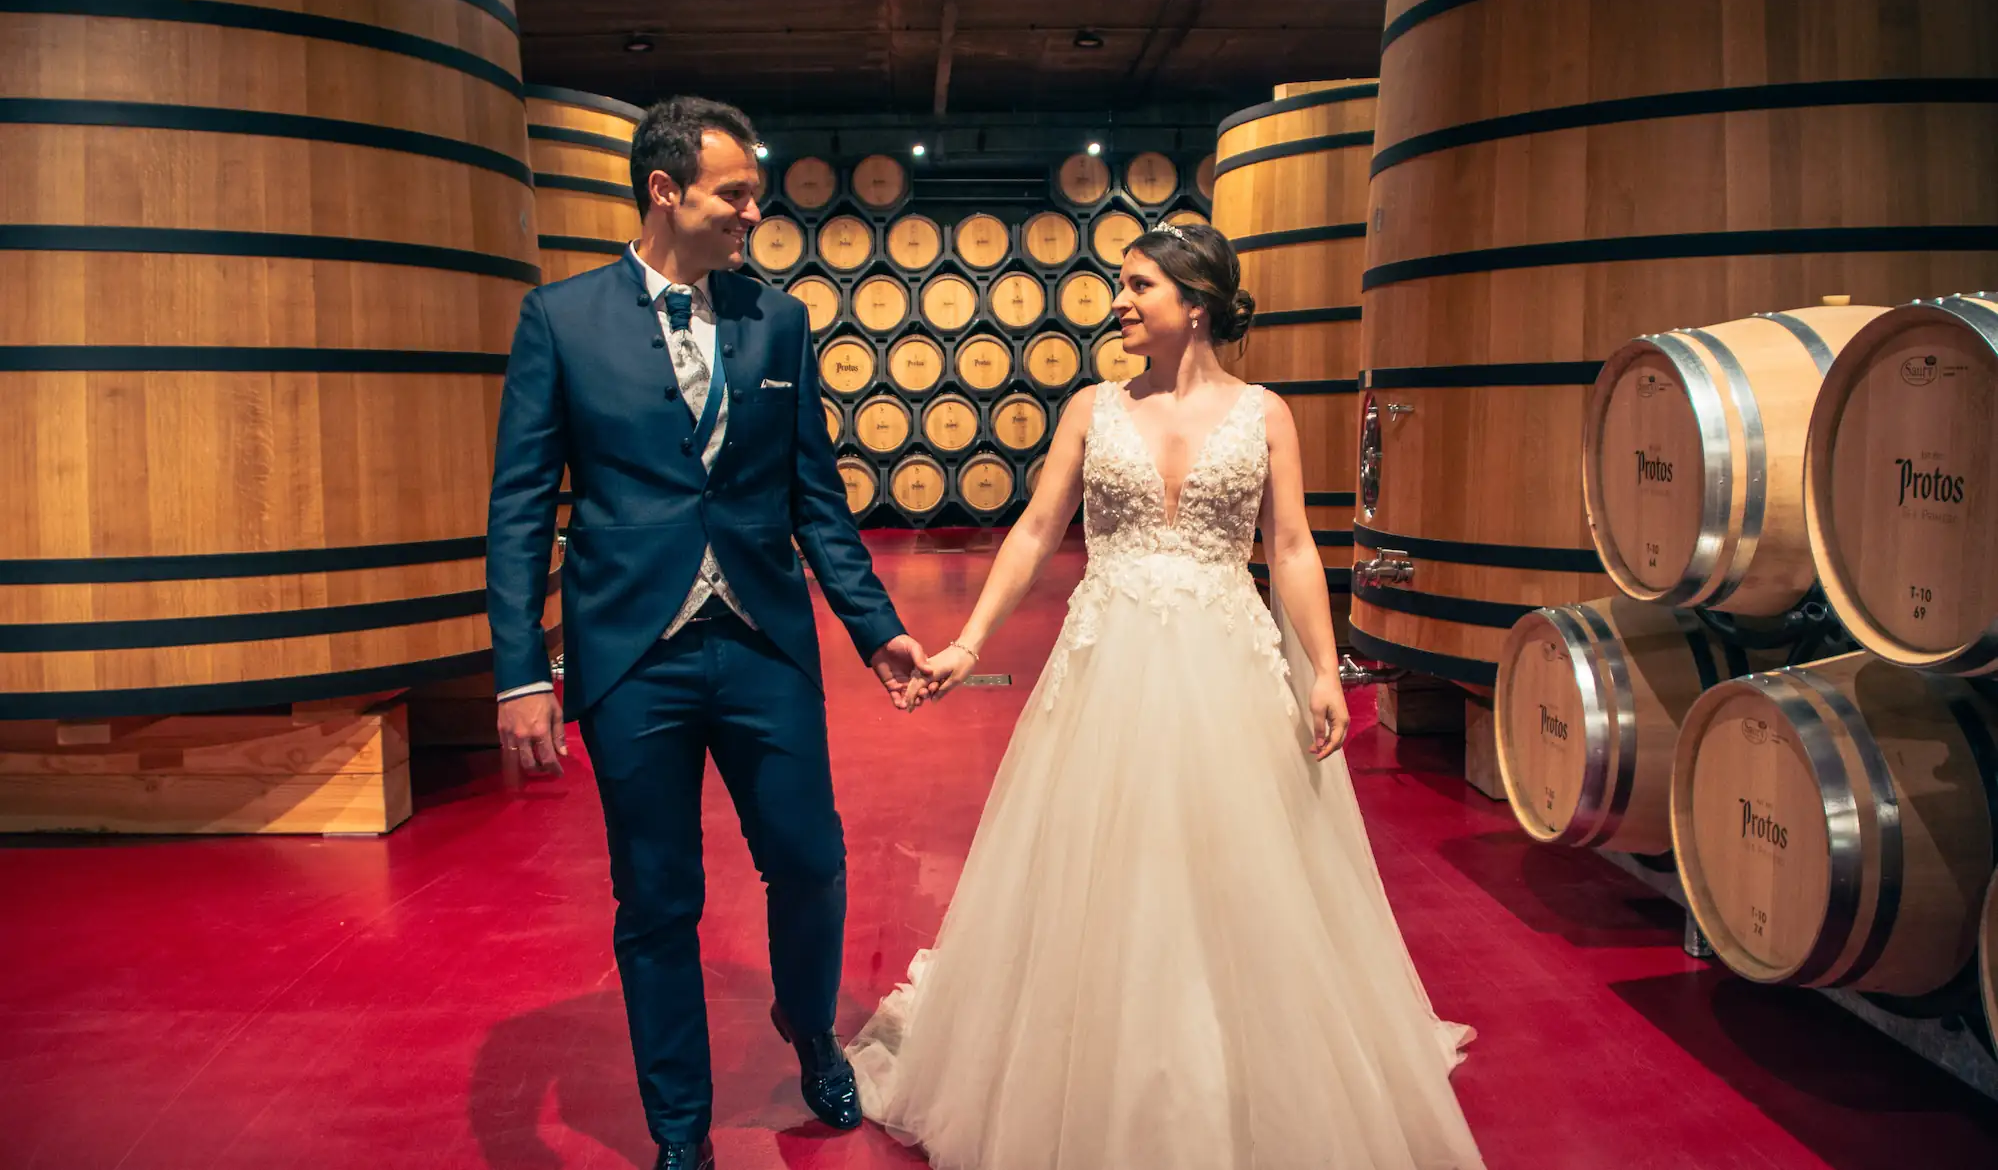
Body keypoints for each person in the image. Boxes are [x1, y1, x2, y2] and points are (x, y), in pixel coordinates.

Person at [845, 222, 1486, 1169]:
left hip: (1229, 662)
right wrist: (969, 640)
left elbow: (1293, 548)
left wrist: (1321, 666)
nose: (1118, 301)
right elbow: (1031, 532)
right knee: (1104, 866)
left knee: (1239, 866)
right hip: (1110, 665)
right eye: (1119, 283)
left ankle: (1243, 1076)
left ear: (1196, 303)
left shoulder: (1265, 413)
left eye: (1138, 285)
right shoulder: (1092, 407)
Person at [485, 96, 931, 1170]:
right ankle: (679, 1130)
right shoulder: (561, 320)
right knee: (656, 899)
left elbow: (813, 496)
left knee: (810, 857)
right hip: (631, 653)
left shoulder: (777, 321)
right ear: (664, 190)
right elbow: (519, 507)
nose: (752, 210)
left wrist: (877, 631)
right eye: (734, 192)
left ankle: (810, 1025)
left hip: (760, 641)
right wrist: (518, 676)